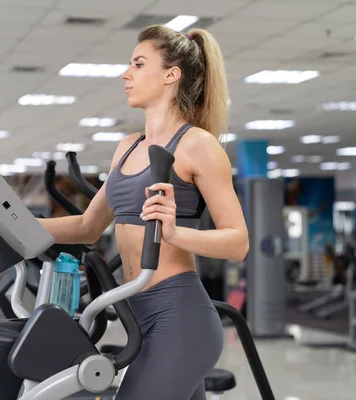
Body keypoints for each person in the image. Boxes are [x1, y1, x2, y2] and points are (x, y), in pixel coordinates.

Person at [38, 25, 249, 400]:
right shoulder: (127, 147)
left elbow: (238, 243)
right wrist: (12, 226)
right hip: (136, 312)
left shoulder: (197, 145)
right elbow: (87, 226)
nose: (126, 74)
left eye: (138, 64)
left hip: (180, 316)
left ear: (171, 75)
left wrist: (175, 233)